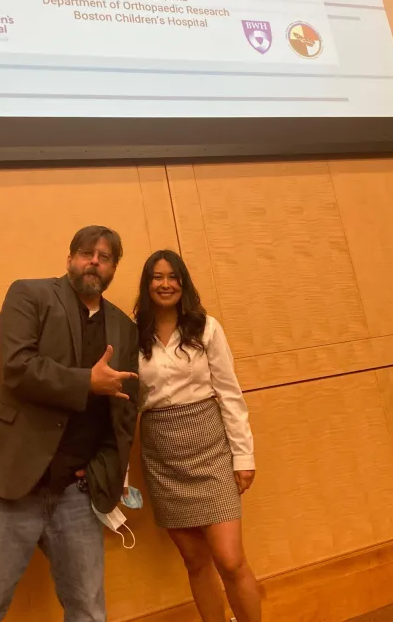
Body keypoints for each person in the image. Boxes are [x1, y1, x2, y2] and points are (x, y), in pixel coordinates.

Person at [0, 225, 139, 622]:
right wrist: (86, 381)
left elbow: (124, 411)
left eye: (105, 258)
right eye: (87, 253)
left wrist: (101, 472)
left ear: (114, 269)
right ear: (70, 258)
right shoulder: (29, 294)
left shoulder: (124, 328)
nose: (94, 262)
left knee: (88, 611)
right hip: (8, 486)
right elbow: (15, 367)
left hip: (75, 493)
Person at [135, 250, 260, 622]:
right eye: (157, 277)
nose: (165, 284)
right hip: (161, 456)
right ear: (147, 285)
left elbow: (229, 393)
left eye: (173, 277)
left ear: (183, 283)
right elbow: (129, 402)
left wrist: (244, 456)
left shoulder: (207, 328)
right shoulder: (131, 333)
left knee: (230, 559)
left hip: (211, 451)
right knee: (195, 562)